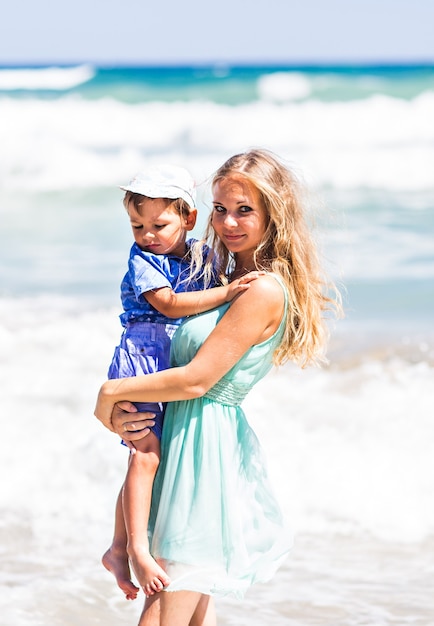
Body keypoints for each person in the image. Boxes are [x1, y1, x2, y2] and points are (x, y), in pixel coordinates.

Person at [95, 149, 341, 626]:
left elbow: (197, 378)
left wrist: (110, 394)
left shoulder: (260, 290)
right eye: (221, 209)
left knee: (167, 610)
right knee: (188, 614)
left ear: (274, 213)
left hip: (202, 452)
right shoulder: (218, 277)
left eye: (245, 210)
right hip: (186, 439)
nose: (229, 222)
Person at [102, 164, 261, 601]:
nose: (147, 234)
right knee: (146, 453)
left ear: (189, 219)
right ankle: (134, 547)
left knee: (156, 455)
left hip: (173, 361)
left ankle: (117, 546)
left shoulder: (203, 257)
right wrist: (228, 293)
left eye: (159, 224)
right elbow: (171, 306)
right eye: (137, 226)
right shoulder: (144, 259)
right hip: (144, 360)